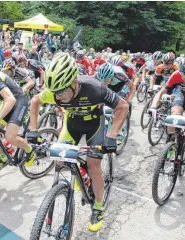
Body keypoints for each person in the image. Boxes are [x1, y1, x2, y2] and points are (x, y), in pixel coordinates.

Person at [28, 54, 129, 232]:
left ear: (74, 83)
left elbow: (123, 106)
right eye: (54, 92)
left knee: (93, 165)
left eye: (61, 92)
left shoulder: (94, 87)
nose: (57, 96)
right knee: (60, 161)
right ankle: (73, 180)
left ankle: (97, 207)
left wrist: (112, 136)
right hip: (72, 124)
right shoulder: (54, 90)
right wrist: (33, 130)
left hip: (94, 125)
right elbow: (35, 101)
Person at [149, 58, 185, 136]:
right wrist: (153, 106)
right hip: (180, 93)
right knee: (174, 115)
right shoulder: (176, 74)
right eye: (183, 75)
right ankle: (171, 140)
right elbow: (160, 92)